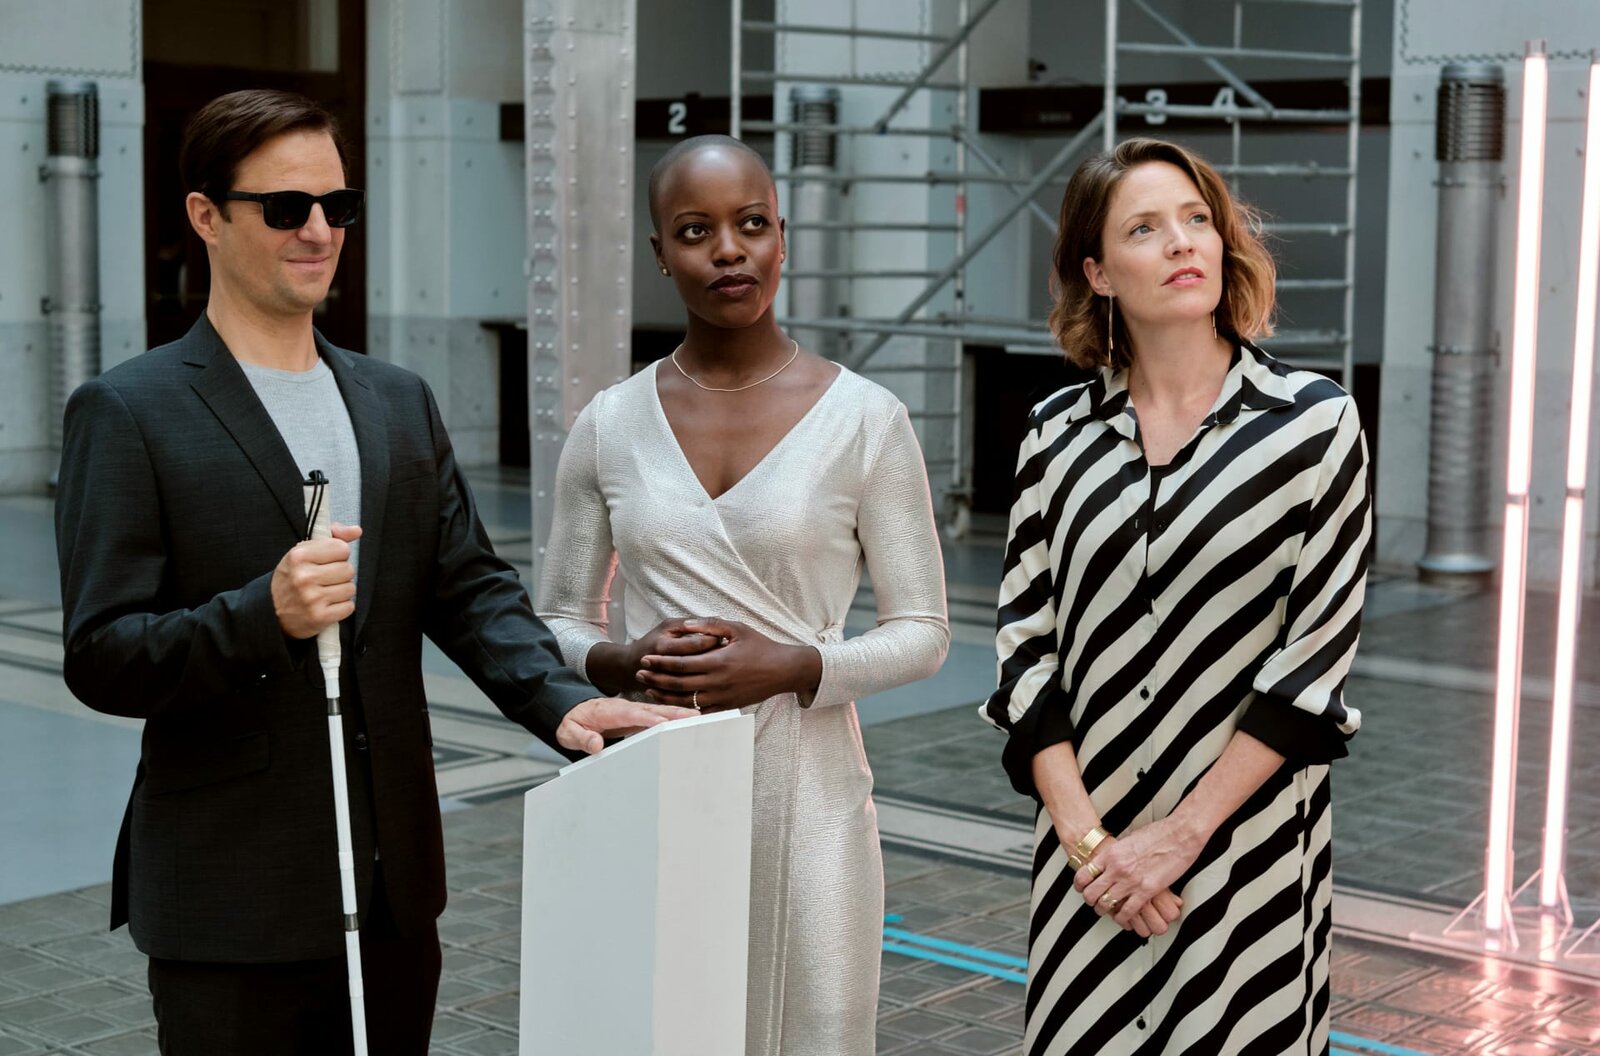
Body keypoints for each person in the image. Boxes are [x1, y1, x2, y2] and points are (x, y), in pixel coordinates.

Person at [53, 89, 689, 1055]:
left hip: (392, 889)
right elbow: (102, 654)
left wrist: (560, 701)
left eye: (337, 206)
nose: (318, 232)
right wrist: (262, 613)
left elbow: (467, 587)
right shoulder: (130, 411)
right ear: (205, 216)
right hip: (230, 900)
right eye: (285, 208)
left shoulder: (396, 401)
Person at [535, 134, 950, 1056]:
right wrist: (620, 658)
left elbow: (924, 632)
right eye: (696, 231)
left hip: (812, 795)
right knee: (661, 1030)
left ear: (782, 237)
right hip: (656, 785)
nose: (729, 250)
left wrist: (795, 665)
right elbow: (557, 618)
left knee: (816, 1031)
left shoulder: (866, 420)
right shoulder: (610, 423)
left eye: (751, 224)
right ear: (660, 254)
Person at [982, 137, 1371, 1055]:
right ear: (1097, 273)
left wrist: (1181, 836)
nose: (1182, 242)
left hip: (1246, 860)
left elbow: (1312, 669)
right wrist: (1091, 848)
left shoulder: (1312, 424)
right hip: (1090, 867)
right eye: (1144, 229)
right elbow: (1025, 651)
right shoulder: (1053, 434)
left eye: (1197, 219)